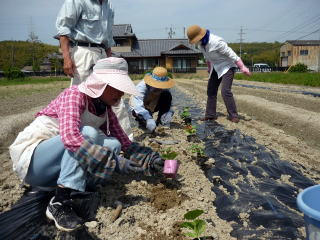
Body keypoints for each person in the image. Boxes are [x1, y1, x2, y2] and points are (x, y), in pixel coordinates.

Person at [9, 58, 164, 232]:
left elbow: (124, 143)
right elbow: (70, 139)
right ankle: (59, 201)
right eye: (116, 87)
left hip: (56, 169)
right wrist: (114, 162)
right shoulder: (74, 95)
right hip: (33, 162)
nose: (121, 94)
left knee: (113, 144)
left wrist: (150, 159)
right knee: (87, 134)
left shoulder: (105, 109)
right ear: (100, 84)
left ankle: (80, 190)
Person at [55, 0, 134, 140]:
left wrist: (110, 61)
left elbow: (109, 38)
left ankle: (126, 141)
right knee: (83, 98)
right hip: (84, 51)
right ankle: (82, 139)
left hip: (103, 53)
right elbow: (64, 30)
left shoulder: (108, 5)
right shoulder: (77, 1)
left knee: (115, 97)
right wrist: (66, 58)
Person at [187, 25, 251, 123]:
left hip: (227, 66)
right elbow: (207, 58)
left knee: (225, 91)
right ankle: (210, 115)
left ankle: (233, 115)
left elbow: (232, 54)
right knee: (211, 90)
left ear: (200, 36)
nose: (195, 42)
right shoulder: (201, 45)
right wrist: (209, 68)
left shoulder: (216, 42)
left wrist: (242, 67)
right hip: (216, 67)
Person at [130, 67, 175, 133]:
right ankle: (142, 121)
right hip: (141, 106)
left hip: (154, 104)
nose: (159, 87)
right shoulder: (141, 87)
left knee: (166, 94)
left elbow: (168, 101)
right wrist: (148, 118)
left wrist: (169, 111)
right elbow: (137, 105)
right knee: (145, 123)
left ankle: (161, 121)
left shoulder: (165, 88)